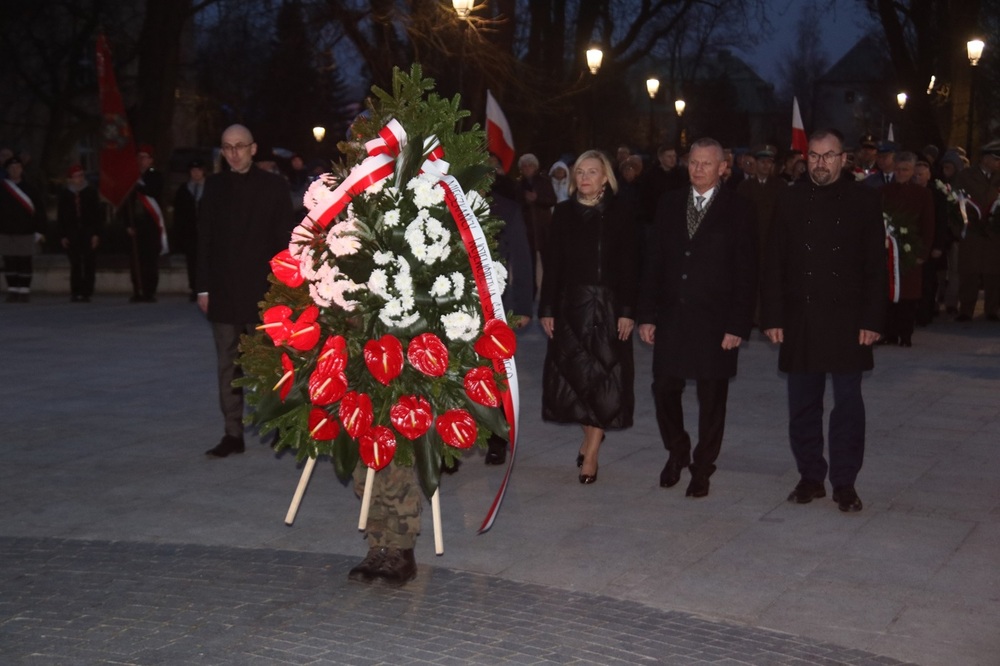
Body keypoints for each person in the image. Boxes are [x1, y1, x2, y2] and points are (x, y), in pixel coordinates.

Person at [761, 128, 886, 513]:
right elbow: (774, 261)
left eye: (828, 156)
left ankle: (845, 483)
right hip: (801, 317)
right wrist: (772, 315)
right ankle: (811, 476)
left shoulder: (864, 200)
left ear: (843, 159)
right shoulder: (789, 197)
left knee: (848, 404)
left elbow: (874, 266)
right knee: (802, 403)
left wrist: (872, 318)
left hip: (848, 319)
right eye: (814, 155)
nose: (820, 163)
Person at [637, 138, 757, 498]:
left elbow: (747, 271)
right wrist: (646, 314)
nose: (699, 169)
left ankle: (703, 467)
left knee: (712, 398)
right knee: (664, 389)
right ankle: (678, 449)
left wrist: (737, 324)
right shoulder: (669, 203)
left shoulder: (739, 209)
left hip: (715, 321)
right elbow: (654, 261)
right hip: (673, 317)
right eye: (693, 163)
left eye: (707, 163)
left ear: (723, 167)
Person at [539, 149, 637, 484]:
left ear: (605, 177)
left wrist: (627, 311)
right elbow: (552, 265)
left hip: (608, 307)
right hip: (572, 308)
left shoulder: (622, 213)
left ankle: (592, 454)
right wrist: (547, 308)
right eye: (580, 171)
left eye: (592, 171)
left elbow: (630, 266)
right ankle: (591, 433)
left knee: (603, 384)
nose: (584, 177)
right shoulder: (563, 213)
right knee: (575, 382)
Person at [197, 124, 294, 457]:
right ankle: (232, 433)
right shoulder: (214, 187)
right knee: (228, 365)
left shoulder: (275, 187)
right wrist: (202, 288)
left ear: (253, 149)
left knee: (270, 363)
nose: (233, 153)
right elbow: (203, 241)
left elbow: (285, 242)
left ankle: (279, 424)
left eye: (239, 146)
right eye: (226, 147)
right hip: (223, 292)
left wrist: (287, 290)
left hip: (263, 293)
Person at [880, 152, 935, 345]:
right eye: (898, 169)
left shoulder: (923, 194)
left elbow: (928, 226)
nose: (901, 173)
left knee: (908, 294)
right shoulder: (884, 191)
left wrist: (923, 253)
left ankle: (905, 334)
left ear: (912, 171)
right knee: (888, 292)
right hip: (888, 249)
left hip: (911, 250)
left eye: (905, 170)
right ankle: (888, 332)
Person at [951, 141, 1000, 321]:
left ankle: (992, 309)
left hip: (994, 233)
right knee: (969, 272)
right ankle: (966, 309)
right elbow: (955, 202)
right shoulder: (966, 176)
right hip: (971, 231)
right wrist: (959, 229)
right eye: (996, 159)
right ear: (985, 158)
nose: (998, 163)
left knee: (994, 273)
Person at [1, 155, 47, 302]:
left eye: (18, 167)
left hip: (26, 231)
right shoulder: (2, 188)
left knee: (25, 261)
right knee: (9, 261)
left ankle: (24, 290)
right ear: (7, 170)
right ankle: (13, 290)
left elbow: (39, 211)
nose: (15, 170)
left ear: (22, 169)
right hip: (6, 231)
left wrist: (40, 230)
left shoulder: (31, 189)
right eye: (12, 168)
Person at [124, 144, 166, 302]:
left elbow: (153, 191)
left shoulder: (155, 176)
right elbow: (125, 204)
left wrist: (138, 184)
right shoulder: (130, 178)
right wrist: (127, 224)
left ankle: (149, 291)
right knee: (136, 260)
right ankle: (138, 290)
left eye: (145, 157)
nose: (142, 160)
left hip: (150, 225)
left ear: (151, 160)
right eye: (139, 157)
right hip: (135, 224)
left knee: (150, 260)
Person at [57, 165, 101, 302]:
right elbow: (61, 216)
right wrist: (63, 235)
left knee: (89, 262)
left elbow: (97, 215)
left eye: (81, 175)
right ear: (70, 179)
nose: (80, 179)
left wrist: (96, 233)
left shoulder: (91, 192)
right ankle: (76, 291)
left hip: (87, 230)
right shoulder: (65, 194)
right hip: (72, 231)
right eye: (77, 176)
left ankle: (87, 291)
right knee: (75, 262)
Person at [516, 153, 557, 296]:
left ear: (535, 167)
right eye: (524, 166)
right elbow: (517, 204)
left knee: (548, 261)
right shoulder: (519, 184)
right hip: (527, 229)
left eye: (530, 165)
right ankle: (531, 291)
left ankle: (550, 292)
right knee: (529, 262)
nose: (527, 168)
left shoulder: (544, 181)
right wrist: (525, 199)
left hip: (544, 227)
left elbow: (552, 199)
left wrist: (537, 198)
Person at [172, 158, 206, 302]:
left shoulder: (210, 188)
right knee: (192, 261)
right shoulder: (184, 189)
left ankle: (207, 288)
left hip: (206, 232)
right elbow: (179, 213)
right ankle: (194, 288)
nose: (195, 173)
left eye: (198, 170)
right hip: (190, 232)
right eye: (193, 171)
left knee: (207, 261)